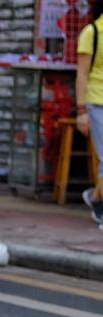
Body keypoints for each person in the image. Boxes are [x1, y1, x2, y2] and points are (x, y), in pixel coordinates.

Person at [76, 0, 103, 227]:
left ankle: (96, 198)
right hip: (96, 101)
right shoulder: (91, 32)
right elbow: (82, 74)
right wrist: (82, 110)